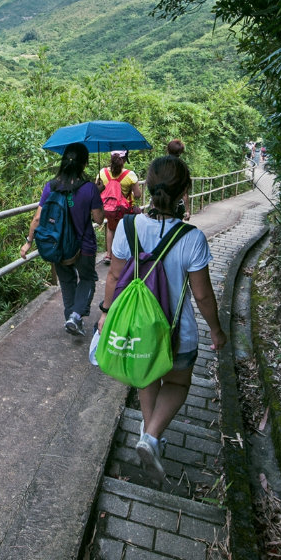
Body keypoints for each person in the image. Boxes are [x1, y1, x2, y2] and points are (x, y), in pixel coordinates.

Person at [98, 154, 226, 482]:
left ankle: (148, 429)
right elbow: (202, 295)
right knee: (179, 382)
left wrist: (106, 313)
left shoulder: (129, 226)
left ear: (147, 187)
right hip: (177, 332)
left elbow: (113, 277)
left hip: (140, 331)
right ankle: (151, 436)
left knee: (147, 376)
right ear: (184, 192)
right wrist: (216, 331)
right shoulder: (192, 238)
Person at [20, 143, 105, 335]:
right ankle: (76, 317)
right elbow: (99, 219)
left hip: (58, 245)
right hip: (84, 246)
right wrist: (98, 193)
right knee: (87, 279)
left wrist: (28, 242)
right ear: (85, 163)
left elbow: (37, 218)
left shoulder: (51, 186)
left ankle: (71, 318)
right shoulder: (89, 188)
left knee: (66, 282)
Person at [97, 150, 141, 264]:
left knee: (111, 228)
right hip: (123, 209)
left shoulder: (102, 172)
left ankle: (108, 255)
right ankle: (123, 255)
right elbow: (137, 195)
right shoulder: (129, 175)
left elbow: (96, 188)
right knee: (125, 228)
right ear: (125, 159)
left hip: (107, 208)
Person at [164, 139, 193, 220]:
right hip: (176, 206)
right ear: (180, 152)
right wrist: (187, 210)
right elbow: (184, 192)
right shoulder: (182, 168)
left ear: (167, 149)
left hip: (160, 204)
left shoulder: (159, 165)